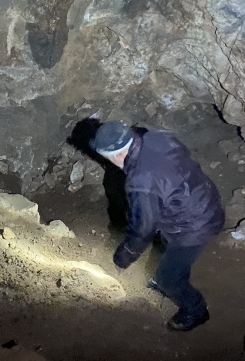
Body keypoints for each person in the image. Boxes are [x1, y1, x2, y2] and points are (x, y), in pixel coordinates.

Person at [89, 120, 225, 332]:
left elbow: (143, 229)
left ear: (117, 154)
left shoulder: (141, 181)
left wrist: (123, 257)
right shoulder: (156, 137)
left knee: (168, 277)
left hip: (194, 226)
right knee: (165, 247)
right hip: (202, 198)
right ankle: (164, 276)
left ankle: (196, 310)